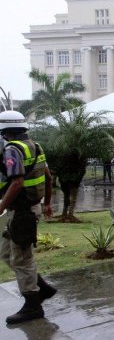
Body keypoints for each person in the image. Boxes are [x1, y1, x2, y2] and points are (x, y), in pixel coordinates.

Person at [0, 111, 56, 324]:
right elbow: (49, 178)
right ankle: (42, 288)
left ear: (5, 132)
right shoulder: (35, 146)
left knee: (22, 259)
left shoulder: (13, 149)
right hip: (25, 211)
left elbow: (17, 183)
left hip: (23, 212)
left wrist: (1, 206)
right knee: (6, 253)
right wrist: (48, 203)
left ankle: (32, 305)